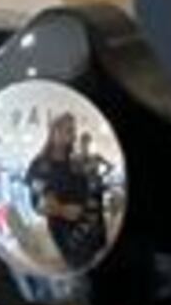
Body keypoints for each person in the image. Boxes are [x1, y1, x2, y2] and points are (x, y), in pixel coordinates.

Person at [24, 112, 110, 272]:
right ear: (53, 132)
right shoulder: (40, 165)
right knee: (81, 266)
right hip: (66, 231)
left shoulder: (76, 160)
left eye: (73, 130)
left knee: (100, 256)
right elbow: (36, 204)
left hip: (93, 221)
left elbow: (89, 188)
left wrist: (94, 176)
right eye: (68, 130)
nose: (73, 135)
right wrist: (62, 210)